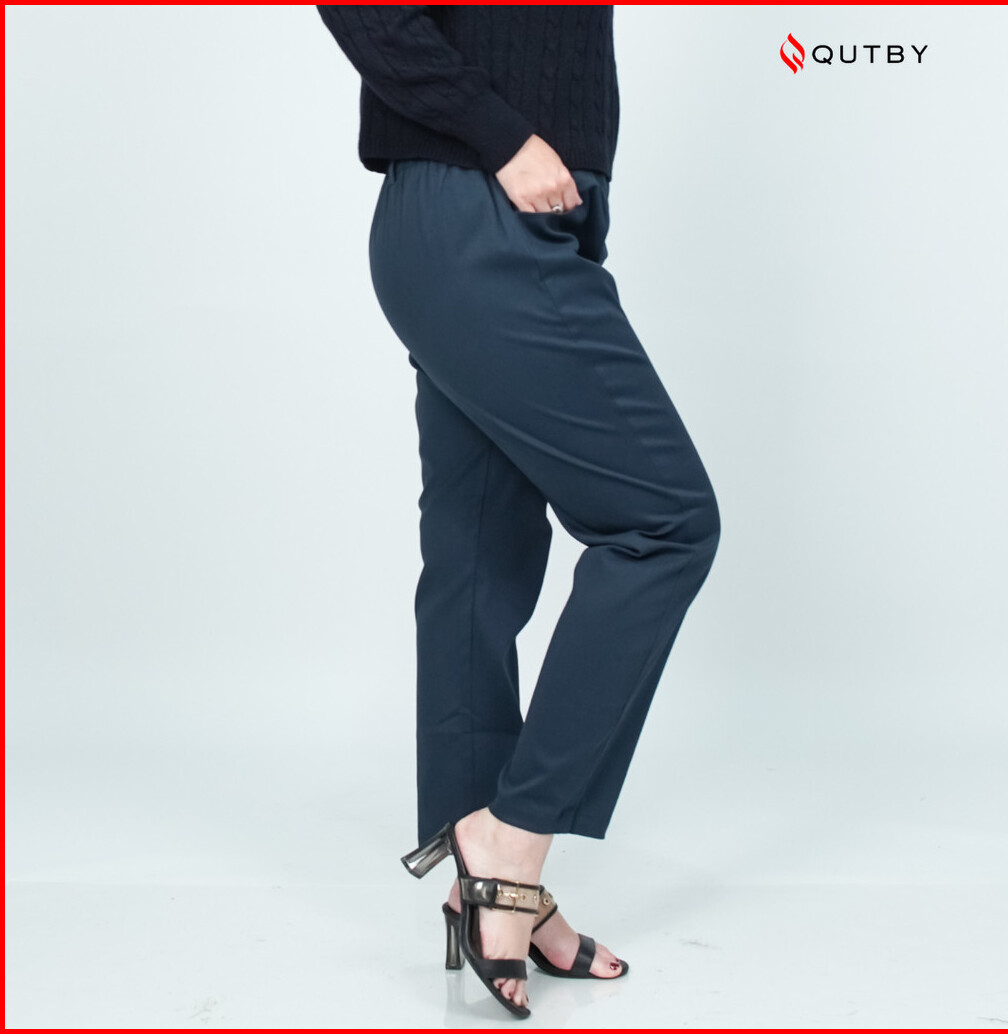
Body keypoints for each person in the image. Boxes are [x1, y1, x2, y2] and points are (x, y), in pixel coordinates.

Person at [316, 5, 720, 1019]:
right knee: (665, 523)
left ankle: (486, 887)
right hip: (480, 208)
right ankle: (510, 836)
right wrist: (505, 139)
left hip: (480, 218)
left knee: (479, 555)